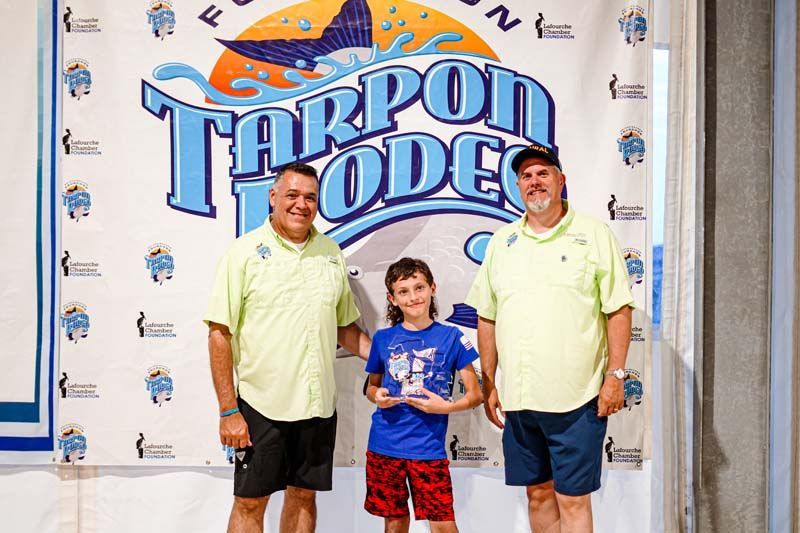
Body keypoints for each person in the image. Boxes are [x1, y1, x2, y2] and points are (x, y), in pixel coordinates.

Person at [465, 142, 635, 533]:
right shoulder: (502, 243)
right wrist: (490, 381)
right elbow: (487, 316)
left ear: (561, 181)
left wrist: (616, 376)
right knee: (538, 494)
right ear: (518, 187)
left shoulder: (593, 234)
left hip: (577, 398)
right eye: (526, 175)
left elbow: (618, 309)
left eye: (543, 172)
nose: (534, 181)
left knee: (573, 499)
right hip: (521, 398)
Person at [204, 162, 371, 533]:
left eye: (310, 197)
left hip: (317, 406)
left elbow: (344, 326)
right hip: (261, 406)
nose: (301, 204)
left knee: (302, 497)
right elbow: (219, 333)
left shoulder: (329, 253)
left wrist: (386, 357)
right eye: (292, 195)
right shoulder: (244, 253)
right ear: (273, 197)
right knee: (249, 502)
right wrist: (228, 409)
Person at [364, 258, 482, 533]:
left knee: (442, 524)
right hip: (384, 446)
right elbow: (371, 387)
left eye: (419, 287)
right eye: (403, 291)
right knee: (395, 523)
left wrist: (444, 408)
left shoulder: (452, 337)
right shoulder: (382, 339)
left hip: (428, 449)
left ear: (432, 288)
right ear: (392, 299)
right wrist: (377, 396)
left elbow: (475, 395)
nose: (413, 297)